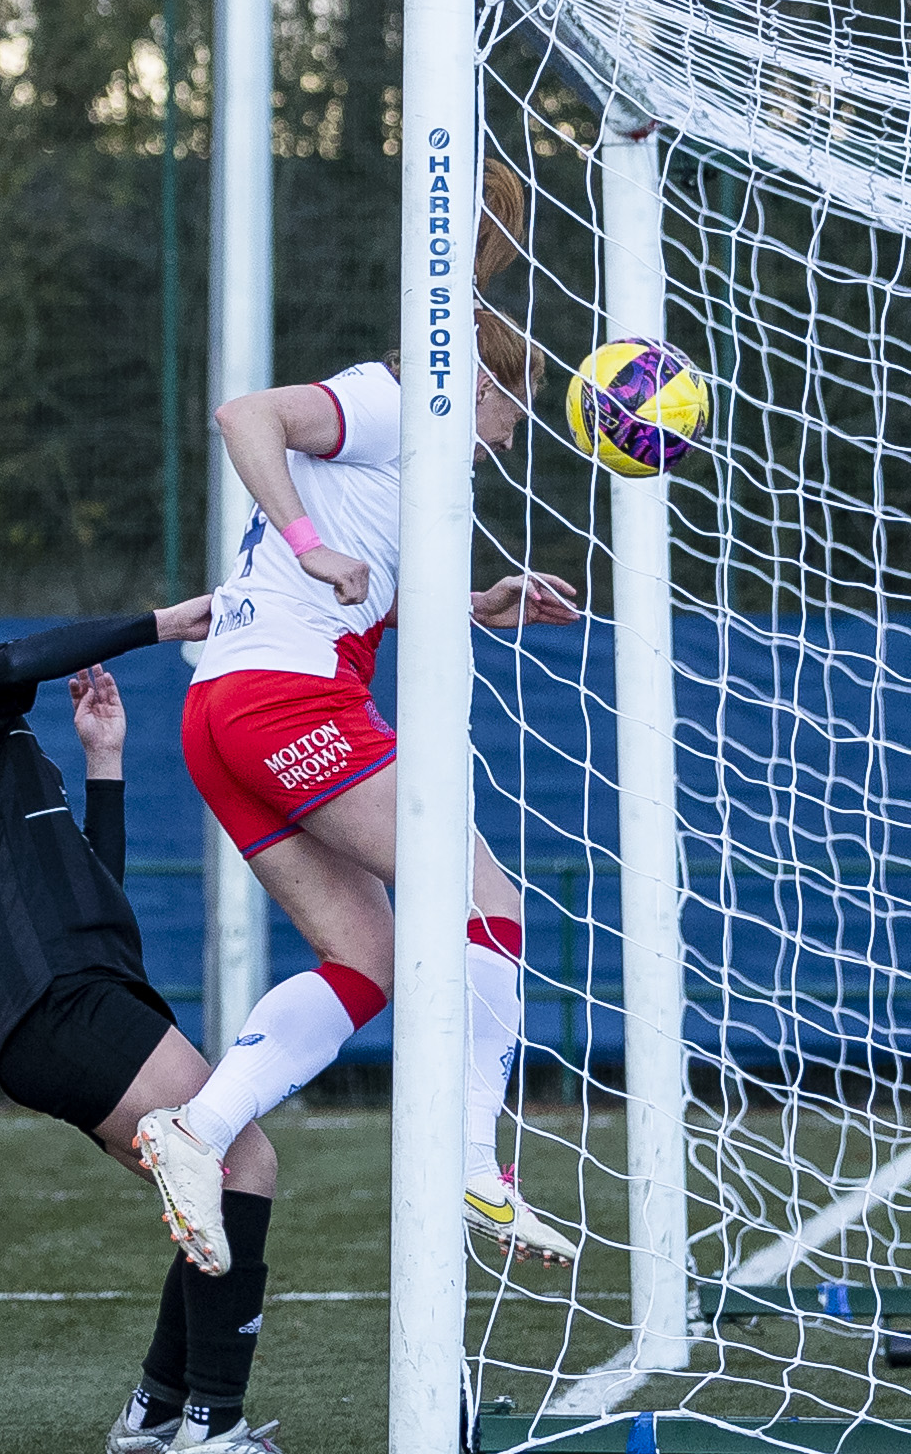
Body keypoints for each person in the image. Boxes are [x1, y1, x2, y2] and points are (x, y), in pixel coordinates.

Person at [135, 157, 582, 1283]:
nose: (511, 438)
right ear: (482, 383)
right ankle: (477, 1157)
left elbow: (365, 589)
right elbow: (247, 416)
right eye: (513, 410)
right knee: (484, 899)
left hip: (227, 712)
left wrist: (477, 602)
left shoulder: (415, 470)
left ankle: (192, 1127)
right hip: (284, 701)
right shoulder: (395, 403)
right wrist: (304, 541)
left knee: (370, 955)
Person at [0, 604, 328, 1454]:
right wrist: (163, 622)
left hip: (68, 1005)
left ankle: (158, 1412)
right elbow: (24, 654)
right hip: (63, 1004)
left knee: (214, 1183)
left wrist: (105, 761)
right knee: (239, 1162)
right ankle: (214, 1426)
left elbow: (98, 882)